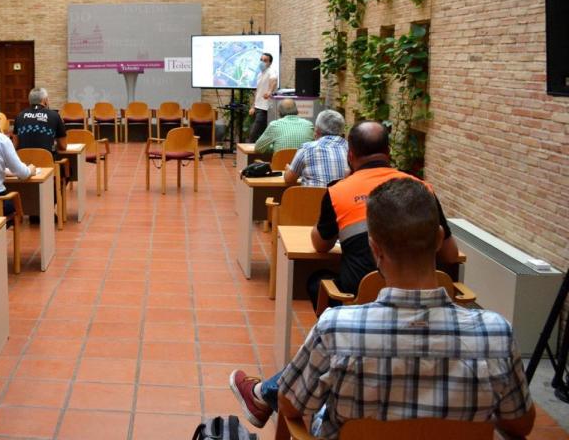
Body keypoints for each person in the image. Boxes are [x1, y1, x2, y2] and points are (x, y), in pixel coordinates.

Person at [229, 179, 535, 438]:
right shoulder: (496, 332)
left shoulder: (337, 329)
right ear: (440, 238)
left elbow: (290, 405)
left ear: (374, 247)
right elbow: (520, 423)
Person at [306, 120, 459, 305]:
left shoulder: (337, 192)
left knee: (317, 281)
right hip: (423, 300)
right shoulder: (422, 189)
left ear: (350, 155)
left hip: (359, 301)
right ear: (388, 153)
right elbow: (451, 255)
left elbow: (320, 245)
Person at [283, 109, 348, 187]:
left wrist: (288, 170)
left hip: (311, 199)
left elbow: (289, 179)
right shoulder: (350, 149)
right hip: (341, 198)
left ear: (317, 130)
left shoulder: (306, 148)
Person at [13, 87, 67, 156]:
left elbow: (15, 145)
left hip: (24, 164)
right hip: (47, 164)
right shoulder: (54, 115)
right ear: (45, 101)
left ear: (29, 101)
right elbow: (63, 146)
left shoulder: (19, 116)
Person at [248, 52, 278, 142]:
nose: (262, 62)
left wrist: (269, 91)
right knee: (260, 134)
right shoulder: (260, 74)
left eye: (265, 60)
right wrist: (253, 106)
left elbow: (274, 80)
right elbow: (258, 91)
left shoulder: (271, 71)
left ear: (270, 63)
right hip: (258, 107)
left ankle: (250, 155)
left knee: (253, 134)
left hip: (265, 108)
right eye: (261, 60)